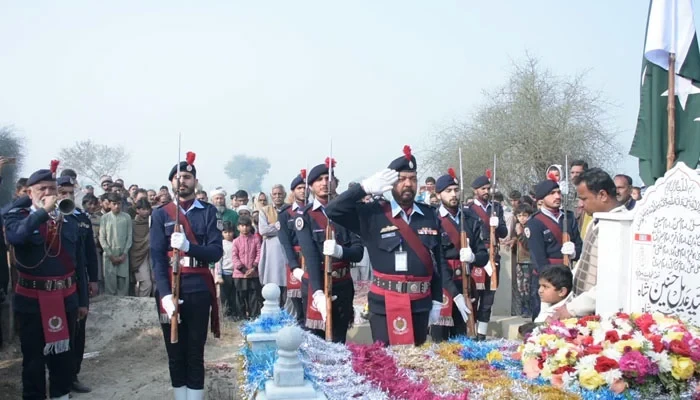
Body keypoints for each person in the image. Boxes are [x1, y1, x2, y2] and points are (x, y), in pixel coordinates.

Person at [326, 145, 445, 346]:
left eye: (413, 179)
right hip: (385, 303)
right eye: (402, 179)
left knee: (416, 365)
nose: (408, 184)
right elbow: (333, 210)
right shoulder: (374, 214)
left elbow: (437, 260)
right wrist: (363, 188)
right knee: (386, 367)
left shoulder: (430, 214)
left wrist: (437, 299)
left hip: (420, 303)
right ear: (390, 183)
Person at [4, 161, 88, 400]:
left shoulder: (70, 218)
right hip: (31, 301)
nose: (49, 193)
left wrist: (82, 301)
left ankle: (61, 395)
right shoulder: (15, 217)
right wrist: (41, 213)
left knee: (63, 358)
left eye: (53, 189)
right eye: (42, 188)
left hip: (66, 298)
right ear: (30, 192)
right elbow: (17, 237)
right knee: (33, 360)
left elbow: (78, 263)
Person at [151, 151, 223, 400]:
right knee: (174, 350)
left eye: (187, 177)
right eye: (178, 177)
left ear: (195, 181)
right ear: (171, 182)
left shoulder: (208, 212)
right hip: (171, 286)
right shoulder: (161, 214)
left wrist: (189, 247)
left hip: (199, 286)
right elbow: (157, 258)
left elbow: (215, 252)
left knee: (195, 350)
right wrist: (164, 294)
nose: (182, 181)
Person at [294, 159, 364, 343]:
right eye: (319, 180)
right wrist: (318, 294)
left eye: (328, 178)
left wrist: (341, 251)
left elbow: (358, 252)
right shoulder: (305, 217)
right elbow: (309, 256)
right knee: (316, 342)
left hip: (343, 283)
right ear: (311, 186)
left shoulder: (348, 213)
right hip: (317, 284)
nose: (325, 183)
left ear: (335, 182)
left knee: (340, 340)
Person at [549, 168, 626, 321]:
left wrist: (572, 308)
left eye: (584, 199)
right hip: (583, 309)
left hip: (605, 313)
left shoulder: (621, 226)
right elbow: (585, 263)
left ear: (602, 195)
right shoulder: (595, 223)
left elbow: (610, 282)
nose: (581, 205)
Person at [430, 169, 488, 342]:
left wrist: (473, 258)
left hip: (465, 282)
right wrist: (455, 294)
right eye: (448, 191)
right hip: (442, 286)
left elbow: (483, 255)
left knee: (463, 337)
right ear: (439, 194)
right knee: (440, 341)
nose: (453, 194)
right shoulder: (433, 219)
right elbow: (436, 260)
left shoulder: (470, 218)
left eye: (456, 190)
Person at [57, 172, 98, 394]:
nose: (67, 196)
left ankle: (72, 375)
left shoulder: (81, 217)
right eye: (62, 192)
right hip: (53, 285)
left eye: (70, 193)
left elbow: (89, 252)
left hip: (77, 282)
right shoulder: (47, 216)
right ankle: (57, 377)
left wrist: (93, 279)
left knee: (78, 332)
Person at [525, 177, 582, 320]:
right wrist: (554, 281)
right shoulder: (534, 223)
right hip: (547, 279)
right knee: (542, 318)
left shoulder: (568, 217)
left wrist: (574, 252)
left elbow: (580, 247)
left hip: (568, 274)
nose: (557, 196)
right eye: (552, 193)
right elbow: (539, 259)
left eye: (558, 192)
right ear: (541, 199)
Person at [468, 173, 508, 338]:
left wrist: (497, 225)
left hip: (493, 255)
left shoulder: (496, 207)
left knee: (488, 298)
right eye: (483, 188)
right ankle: (471, 329)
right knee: (473, 296)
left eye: (488, 188)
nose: (486, 191)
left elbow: (504, 233)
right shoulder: (468, 209)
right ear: (475, 190)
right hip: (477, 255)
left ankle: (482, 333)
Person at [278, 172, 307, 325]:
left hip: (313, 259)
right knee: (298, 301)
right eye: (300, 188)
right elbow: (285, 242)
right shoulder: (285, 214)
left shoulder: (314, 211)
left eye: (305, 187)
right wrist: (293, 265)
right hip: (295, 258)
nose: (303, 191)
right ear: (293, 191)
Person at [258, 186, 288, 307]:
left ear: (284, 195)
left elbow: (291, 229)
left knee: (286, 282)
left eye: (280, 194)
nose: (277, 196)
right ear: (271, 196)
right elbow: (263, 230)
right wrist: (280, 226)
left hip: (286, 250)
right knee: (272, 282)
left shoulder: (289, 209)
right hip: (271, 251)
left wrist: (273, 226)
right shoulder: (265, 210)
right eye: (274, 194)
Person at [99, 193, 132, 296]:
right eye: (114, 204)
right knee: (110, 285)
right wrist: (110, 255)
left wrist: (124, 254)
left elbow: (129, 237)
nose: (117, 206)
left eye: (119, 203)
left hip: (123, 254)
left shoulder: (127, 217)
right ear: (109, 205)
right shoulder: (104, 218)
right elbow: (102, 238)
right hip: (109, 255)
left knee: (123, 285)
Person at [231, 215, 262, 319]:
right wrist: (243, 270)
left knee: (253, 296)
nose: (245, 228)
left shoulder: (256, 239)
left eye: (247, 226)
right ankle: (242, 317)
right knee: (240, 296)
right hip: (239, 274)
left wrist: (253, 268)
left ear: (250, 226)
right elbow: (234, 257)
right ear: (238, 227)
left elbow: (259, 253)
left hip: (253, 273)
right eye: (242, 226)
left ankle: (254, 316)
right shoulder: (236, 241)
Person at [512, 203, 534, 318]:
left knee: (527, 286)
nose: (522, 218)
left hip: (528, 261)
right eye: (519, 215)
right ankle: (523, 307)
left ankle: (528, 308)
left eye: (525, 215)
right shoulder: (516, 226)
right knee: (520, 286)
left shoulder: (529, 227)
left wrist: (520, 233)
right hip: (519, 261)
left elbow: (527, 244)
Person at [215, 221, 238, 319]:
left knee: (235, 295)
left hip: (236, 272)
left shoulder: (236, 242)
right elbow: (218, 261)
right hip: (225, 272)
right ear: (222, 233)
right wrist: (219, 275)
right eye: (225, 232)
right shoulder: (221, 244)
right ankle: (226, 314)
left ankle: (235, 313)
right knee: (225, 295)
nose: (228, 234)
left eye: (230, 232)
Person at [131, 198, 153, 297]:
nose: (146, 211)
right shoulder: (132, 224)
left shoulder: (153, 222)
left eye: (147, 209)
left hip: (152, 254)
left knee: (155, 281)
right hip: (138, 256)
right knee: (146, 283)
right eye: (143, 209)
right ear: (137, 210)